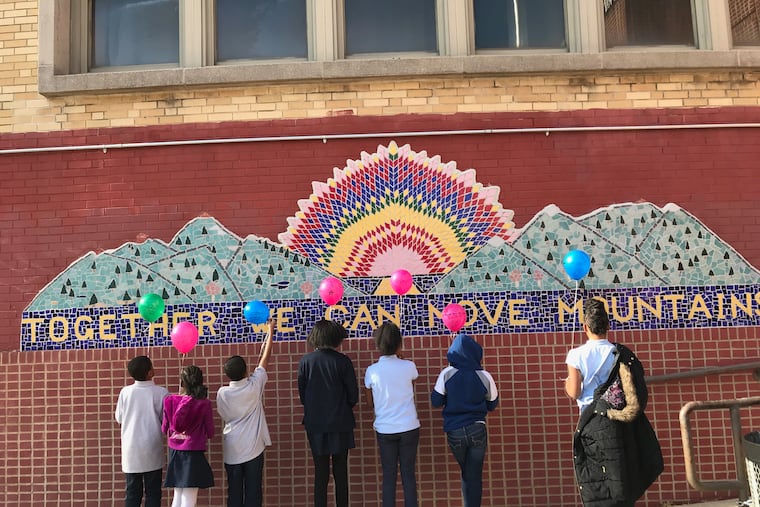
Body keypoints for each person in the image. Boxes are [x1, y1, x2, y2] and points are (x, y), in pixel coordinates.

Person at [564, 297, 663, 506]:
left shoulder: (576, 355)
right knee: (620, 474)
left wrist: (566, 384)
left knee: (597, 477)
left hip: (591, 422)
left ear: (585, 327)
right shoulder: (619, 353)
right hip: (618, 419)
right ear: (608, 325)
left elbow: (574, 392)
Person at [431, 332, 499, 507]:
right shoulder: (484, 375)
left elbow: (435, 401)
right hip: (477, 428)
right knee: (473, 474)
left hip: (455, 431)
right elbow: (492, 404)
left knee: (467, 473)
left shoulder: (446, 374)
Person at [298, 319, 359, 507]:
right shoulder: (343, 361)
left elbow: (303, 394)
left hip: (315, 424)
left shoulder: (306, 361)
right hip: (341, 423)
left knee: (320, 472)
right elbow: (353, 395)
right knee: (341, 473)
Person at [217, 319, 276, 507]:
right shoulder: (254, 385)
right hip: (253, 448)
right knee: (253, 492)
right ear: (245, 371)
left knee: (234, 493)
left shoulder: (222, 392)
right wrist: (271, 331)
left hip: (232, 449)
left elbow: (223, 414)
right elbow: (264, 360)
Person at [364, 322, 420, 507]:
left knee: (389, 475)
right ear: (399, 343)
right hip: (409, 426)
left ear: (378, 345)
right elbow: (410, 389)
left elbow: (370, 402)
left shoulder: (372, 371)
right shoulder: (409, 366)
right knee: (408, 474)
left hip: (385, 429)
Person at [115, 355, 169, 507]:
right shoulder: (161, 393)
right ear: (149, 373)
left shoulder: (125, 392)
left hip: (131, 450)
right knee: (153, 493)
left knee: (132, 493)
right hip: (152, 448)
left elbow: (119, 417)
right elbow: (166, 419)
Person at [162, 365, 215, 507]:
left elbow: (164, 428)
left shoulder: (169, 400)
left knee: (178, 493)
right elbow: (210, 432)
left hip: (174, 451)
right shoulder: (204, 404)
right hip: (193, 451)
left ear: (182, 382)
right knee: (190, 495)